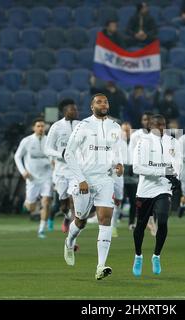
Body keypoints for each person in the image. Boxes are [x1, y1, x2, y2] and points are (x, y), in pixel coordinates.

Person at [63, 93, 123, 280]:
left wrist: (118, 163)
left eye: (105, 101)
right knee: (80, 220)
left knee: (105, 219)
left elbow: (116, 151)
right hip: (84, 179)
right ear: (92, 107)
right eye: (99, 101)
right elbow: (68, 154)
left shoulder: (115, 126)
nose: (103, 104)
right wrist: (80, 179)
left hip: (104, 179)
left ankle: (100, 266)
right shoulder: (83, 126)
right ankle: (69, 242)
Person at [131, 114, 182, 277]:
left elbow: (178, 163)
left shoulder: (173, 142)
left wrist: (176, 176)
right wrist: (164, 172)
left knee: (163, 218)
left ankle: (156, 256)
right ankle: (138, 256)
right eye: (157, 125)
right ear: (150, 125)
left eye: (163, 124)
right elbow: (137, 168)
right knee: (140, 225)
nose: (161, 128)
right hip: (145, 190)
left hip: (163, 189)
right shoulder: (142, 142)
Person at [45, 99, 80, 233]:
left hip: (75, 171)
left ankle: (72, 232)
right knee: (64, 205)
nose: (76, 111)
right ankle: (66, 216)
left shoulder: (81, 125)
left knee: (74, 200)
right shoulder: (56, 127)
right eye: (72, 109)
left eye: (76, 109)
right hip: (60, 171)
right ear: (65, 112)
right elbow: (47, 149)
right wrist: (61, 154)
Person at [14, 118, 53, 239]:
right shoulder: (27, 141)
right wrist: (23, 171)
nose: (41, 128)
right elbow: (17, 156)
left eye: (43, 126)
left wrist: (53, 163)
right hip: (32, 178)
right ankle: (28, 202)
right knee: (31, 207)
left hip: (47, 176)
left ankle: (41, 229)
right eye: (38, 126)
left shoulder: (50, 141)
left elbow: (54, 156)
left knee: (46, 202)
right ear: (34, 128)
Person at [128, 111, 157, 235]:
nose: (148, 121)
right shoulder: (136, 135)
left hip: (154, 169)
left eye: (150, 119)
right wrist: (131, 165)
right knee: (138, 198)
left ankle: (151, 221)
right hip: (139, 170)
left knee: (154, 197)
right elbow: (131, 150)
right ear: (142, 121)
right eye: (145, 119)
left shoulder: (158, 135)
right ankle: (136, 221)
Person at [120, 122, 138, 231]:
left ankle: (131, 222)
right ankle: (116, 218)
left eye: (128, 130)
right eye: (124, 130)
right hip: (120, 174)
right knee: (118, 199)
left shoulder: (136, 142)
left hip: (132, 174)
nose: (126, 132)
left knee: (133, 200)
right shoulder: (116, 142)